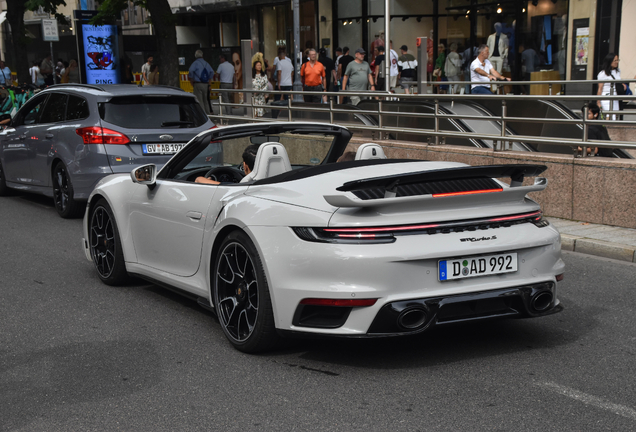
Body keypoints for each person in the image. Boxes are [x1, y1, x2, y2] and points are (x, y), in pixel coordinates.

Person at [597, 53, 624, 121]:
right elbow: (600, 88)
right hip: (606, 97)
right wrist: (598, 102)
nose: (617, 62)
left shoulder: (618, 71)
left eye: (617, 60)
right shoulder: (602, 74)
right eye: (615, 60)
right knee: (609, 116)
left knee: (615, 116)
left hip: (616, 97)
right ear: (610, 61)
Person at [189, 50, 214, 115]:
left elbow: (191, 71)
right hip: (206, 84)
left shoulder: (195, 63)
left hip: (198, 83)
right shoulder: (206, 63)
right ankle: (208, 114)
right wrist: (209, 81)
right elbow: (212, 72)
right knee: (206, 100)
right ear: (202, 55)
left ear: (195, 56)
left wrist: (191, 79)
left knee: (200, 101)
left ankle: (202, 115)